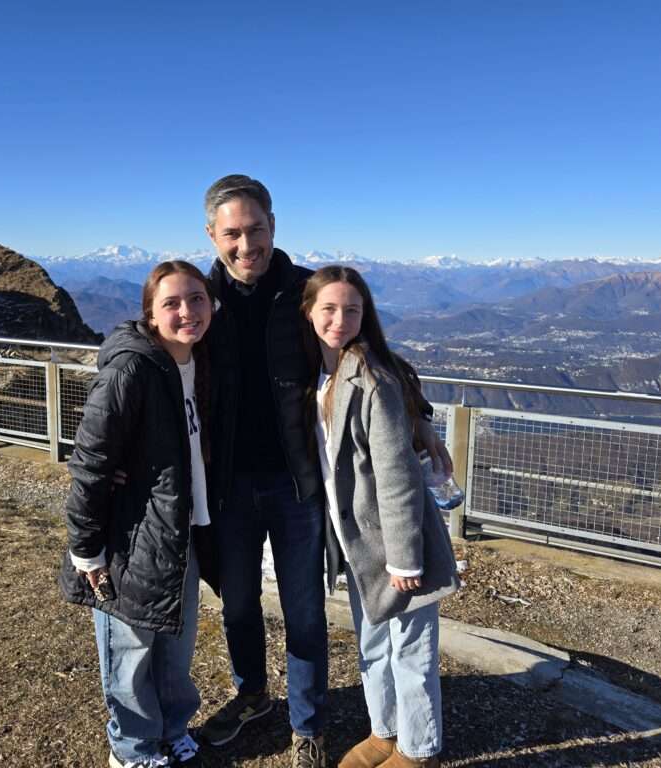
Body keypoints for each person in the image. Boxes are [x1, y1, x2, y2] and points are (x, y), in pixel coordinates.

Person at [197, 174, 452, 768]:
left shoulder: (303, 291)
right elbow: (156, 353)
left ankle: (307, 722)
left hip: (298, 484)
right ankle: (252, 695)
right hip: (229, 483)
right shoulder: (198, 299)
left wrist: (418, 418)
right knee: (237, 604)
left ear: (273, 226)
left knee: (305, 608)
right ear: (212, 235)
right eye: (231, 233)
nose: (245, 244)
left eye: (255, 229)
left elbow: (369, 354)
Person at [59, 261, 219, 768]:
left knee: (175, 640)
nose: (187, 311)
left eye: (196, 298)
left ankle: (172, 728)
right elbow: (90, 462)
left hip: (181, 528)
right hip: (128, 535)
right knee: (128, 651)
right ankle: (132, 748)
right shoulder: (131, 368)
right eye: (171, 302)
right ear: (150, 313)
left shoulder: (200, 363)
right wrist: (87, 549)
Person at [302, 265, 461, 768]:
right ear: (308, 311)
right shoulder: (322, 373)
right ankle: (384, 731)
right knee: (373, 643)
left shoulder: (371, 378)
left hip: (395, 546)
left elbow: (395, 476)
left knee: (411, 650)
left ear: (365, 314)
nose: (340, 319)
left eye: (352, 309)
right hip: (357, 545)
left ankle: (418, 751)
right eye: (328, 308)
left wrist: (407, 560)